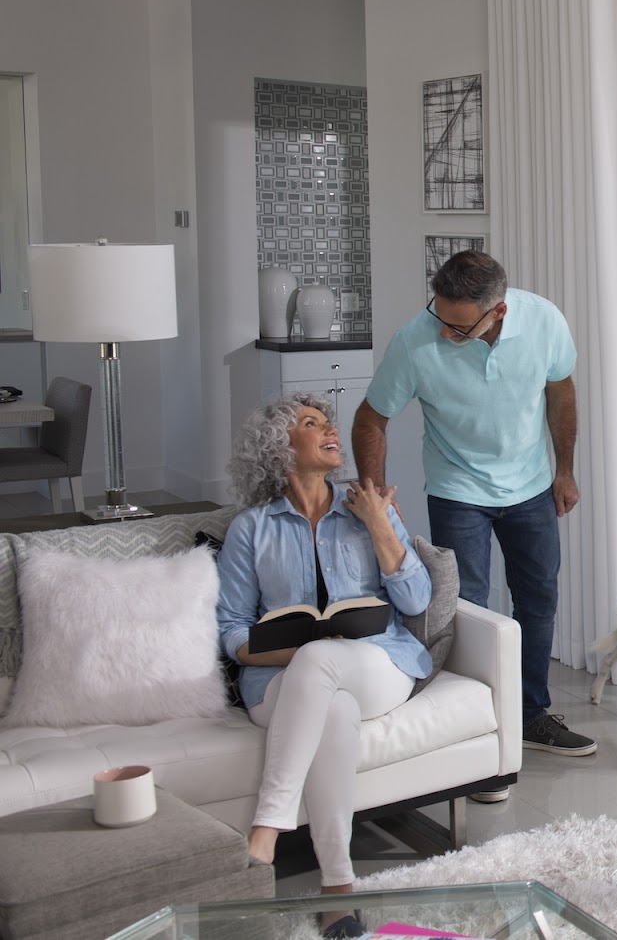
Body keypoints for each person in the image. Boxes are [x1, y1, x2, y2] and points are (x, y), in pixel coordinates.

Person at [352, 249, 594, 792]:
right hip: (458, 488)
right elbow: (372, 417)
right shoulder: (416, 340)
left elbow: (561, 392)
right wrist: (377, 497)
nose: (444, 333)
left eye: (459, 327)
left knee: (538, 600)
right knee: (469, 608)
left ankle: (530, 715)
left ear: (499, 313)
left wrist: (566, 471)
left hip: (531, 485)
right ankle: (479, 732)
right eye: (439, 317)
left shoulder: (544, 321)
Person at [216, 393, 432, 937]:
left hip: (378, 665)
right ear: (279, 448)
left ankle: (267, 827)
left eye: (327, 421)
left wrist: (381, 525)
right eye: (312, 424)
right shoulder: (252, 529)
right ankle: (339, 889)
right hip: (280, 684)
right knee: (329, 704)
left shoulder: (367, 506)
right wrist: (300, 650)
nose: (330, 429)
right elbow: (233, 631)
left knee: (325, 664)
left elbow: (415, 603)